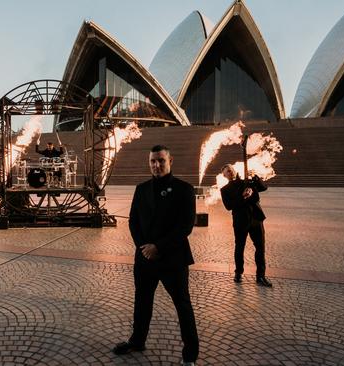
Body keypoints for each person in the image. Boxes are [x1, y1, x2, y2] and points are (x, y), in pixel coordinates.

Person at [113, 145, 199, 366]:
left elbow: (185, 226)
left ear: (170, 161)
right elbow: (133, 221)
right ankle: (137, 340)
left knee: (182, 305)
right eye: (153, 161)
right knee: (142, 301)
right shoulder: (141, 189)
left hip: (173, 259)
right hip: (144, 259)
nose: (156, 165)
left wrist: (158, 247)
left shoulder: (184, 189)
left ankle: (190, 354)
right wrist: (144, 247)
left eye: (161, 160)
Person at [220, 164, 272, 287]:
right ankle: (238, 273)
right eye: (227, 171)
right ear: (224, 175)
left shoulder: (247, 181)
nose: (230, 172)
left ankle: (261, 276)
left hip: (256, 218)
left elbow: (263, 188)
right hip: (240, 221)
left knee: (260, 248)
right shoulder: (225, 189)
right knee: (240, 247)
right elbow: (228, 206)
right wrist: (243, 197)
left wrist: (256, 178)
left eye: (231, 169)